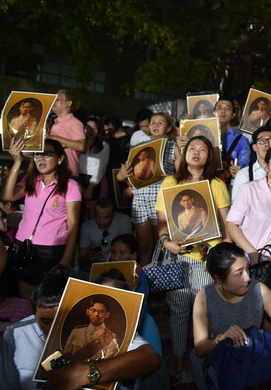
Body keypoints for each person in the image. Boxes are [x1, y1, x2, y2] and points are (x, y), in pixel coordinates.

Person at [0, 266, 162, 390]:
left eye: (59, 320)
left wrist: (87, 373)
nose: (52, 329)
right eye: (44, 321)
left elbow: (149, 357)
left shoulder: (103, 331)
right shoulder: (16, 334)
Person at [155, 135, 231, 381]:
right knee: (178, 314)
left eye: (203, 149)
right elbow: (162, 224)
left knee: (204, 314)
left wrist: (217, 251)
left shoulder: (216, 184)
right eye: (192, 148)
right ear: (185, 153)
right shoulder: (169, 183)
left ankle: (205, 363)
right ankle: (178, 365)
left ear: (209, 157)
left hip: (206, 261)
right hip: (178, 259)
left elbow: (227, 225)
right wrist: (167, 242)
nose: (196, 152)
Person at [191, 242, 271, 390]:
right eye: (239, 273)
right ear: (218, 278)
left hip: (251, 369)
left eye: (247, 269)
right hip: (216, 374)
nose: (247, 278)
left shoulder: (260, 290)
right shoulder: (204, 297)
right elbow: (200, 349)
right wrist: (221, 338)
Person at [2, 138, 81, 299]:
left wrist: (67, 257)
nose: (40, 158)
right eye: (37, 154)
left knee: (44, 297)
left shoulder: (70, 186)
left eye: (47, 154)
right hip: (22, 247)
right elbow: (7, 195)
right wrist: (17, 162)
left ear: (60, 159)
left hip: (50, 250)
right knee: (22, 294)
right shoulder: (31, 181)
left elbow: (73, 224)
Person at [117, 113, 177, 266]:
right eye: (152, 122)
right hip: (140, 200)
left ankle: (162, 285)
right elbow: (120, 176)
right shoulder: (139, 147)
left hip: (161, 199)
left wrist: (170, 177)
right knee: (144, 248)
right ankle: (144, 286)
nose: (155, 125)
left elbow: (181, 176)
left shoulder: (173, 146)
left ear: (169, 127)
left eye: (160, 122)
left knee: (161, 247)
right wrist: (122, 175)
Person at [78, 198, 133, 267]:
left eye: (106, 218)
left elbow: (129, 251)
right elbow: (81, 257)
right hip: (95, 266)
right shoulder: (86, 227)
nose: (101, 221)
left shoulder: (124, 221)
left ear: (114, 214)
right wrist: (88, 258)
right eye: (98, 217)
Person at [231, 126, 271, 202]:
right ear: (254, 147)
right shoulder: (243, 174)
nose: (266, 144)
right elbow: (236, 208)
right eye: (262, 141)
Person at [46, 90, 86, 176]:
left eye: (58, 99)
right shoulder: (55, 123)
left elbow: (81, 146)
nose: (54, 101)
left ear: (68, 103)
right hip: (55, 172)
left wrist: (55, 138)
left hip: (68, 173)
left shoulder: (74, 122)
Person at [79, 117, 110, 218]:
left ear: (99, 130)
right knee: (81, 215)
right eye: (88, 127)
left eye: (94, 128)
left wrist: (91, 186)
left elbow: (102, 167)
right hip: (80, 180)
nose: (91, 131)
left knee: (94, 215)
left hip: (96, 181)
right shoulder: (79, 145)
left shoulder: (104, 145)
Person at [216, 97, 251, 184]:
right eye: (219, 107)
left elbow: (245, 166)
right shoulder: (204, 136)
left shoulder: (242, 141)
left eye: (227, 108)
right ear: (213, 113)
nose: (223, 111)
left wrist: (240, 170)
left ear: (233, 115)